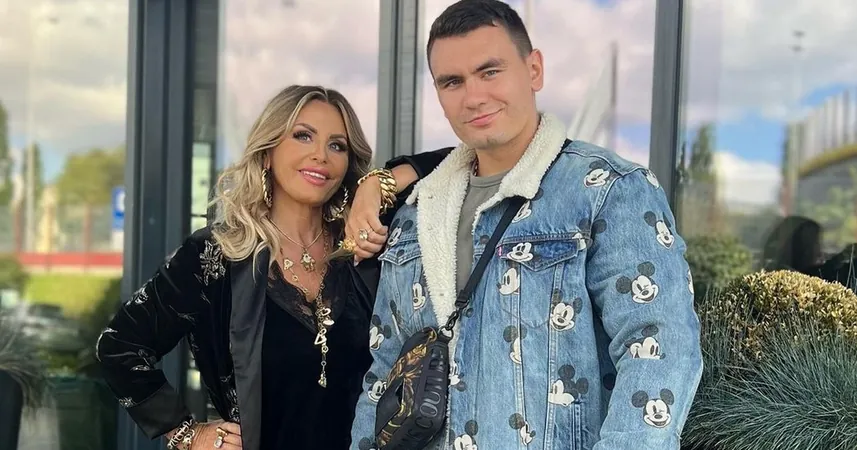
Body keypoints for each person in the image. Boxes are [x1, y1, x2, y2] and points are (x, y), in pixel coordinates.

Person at [349, 1, 703, 449]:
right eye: (452, 81)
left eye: (490, 71)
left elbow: (657, 347)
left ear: (534, 70)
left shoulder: (607, 190)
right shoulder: (414, 216)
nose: (473, 96)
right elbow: (385, 373)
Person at [95, 85, 450, 450]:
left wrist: (378, 183)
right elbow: (119, 346)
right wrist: (187, 434)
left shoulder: (367, 244)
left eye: (337, 145)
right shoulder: (216, 255)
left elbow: (461, 156)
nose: (320, 155)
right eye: (303, 136)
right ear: (267, 153)